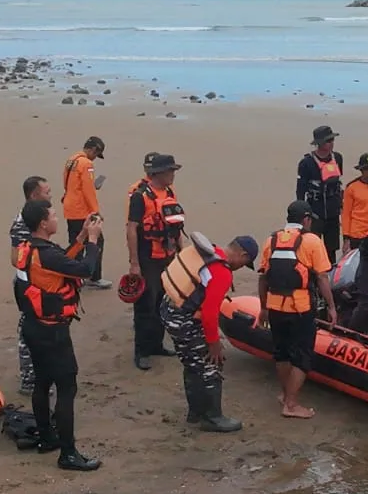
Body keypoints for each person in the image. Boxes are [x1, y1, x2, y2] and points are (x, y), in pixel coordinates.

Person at [13, 198, 104, 471]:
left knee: (42, 381)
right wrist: (93, 240)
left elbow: (59, 264)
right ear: (43, 223)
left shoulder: (28, 248)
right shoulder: (46, 254)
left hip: (32, 326)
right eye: (53, 214)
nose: (56, 217)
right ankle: (68, 453)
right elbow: (85, 270)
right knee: (67, 387)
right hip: (52, 332)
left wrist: (79, 237)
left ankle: (46, 437)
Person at [160, 232, 259, 432]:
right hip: (184, 319)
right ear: (242, 255)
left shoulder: (207, 252)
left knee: (191, 362)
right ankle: (213, 417)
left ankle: (195, 413)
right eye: (244, 263)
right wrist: (214, 343)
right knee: (211, 365)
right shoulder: (221, 272)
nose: (240, 268)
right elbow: (209, 313)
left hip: (168, 310)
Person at [257, 201, 337, 419]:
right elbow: (321, 277)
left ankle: (285, 395)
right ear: (306, 219)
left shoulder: (271, 240)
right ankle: (291, 405)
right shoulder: (311, 241)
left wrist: (263, 307)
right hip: (300, 308)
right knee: (302, 356)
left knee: (281, 353)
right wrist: (331, 306)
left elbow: (263, 278)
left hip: (275, 306)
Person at [126, 152, 186, 370]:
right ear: (158, 173)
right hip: (147, 258)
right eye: (171, 171)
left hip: (167, 257)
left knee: (163, 302)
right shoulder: (140, 197)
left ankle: (156, 344)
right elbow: (132, 228)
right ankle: (141, 351)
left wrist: (181, 252)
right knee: (145, 305)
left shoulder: (170, 192)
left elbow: (175, 224)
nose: (173, 175)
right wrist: (134, 263)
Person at [10, 175, 51, 395]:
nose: (50, 195)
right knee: (29, 331)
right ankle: (28, 380)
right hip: (28, 285)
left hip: (35, 282)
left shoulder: (34, 218)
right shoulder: (23, 222)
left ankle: (37, 375)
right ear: (35, 195)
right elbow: (15, 257)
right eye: (47, 191)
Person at [62, 136, 111, 290]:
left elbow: (67, 181)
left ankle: (73, 276)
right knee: (96, 240)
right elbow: (88, 190)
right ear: (93, 149)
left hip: (70, 206)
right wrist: (95, 211)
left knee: (75, 241)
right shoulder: (86, 164)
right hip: (81, 210)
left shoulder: (71, 160)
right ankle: (93, 276)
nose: (95, 158)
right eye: (96, 154)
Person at [296, 125, 344, 255]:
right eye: (328, 141)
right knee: (312, 247)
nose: (332, 143)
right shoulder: (306, 163)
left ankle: (330, 272)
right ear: (319, 143)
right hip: (314, 212)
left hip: (333, 212)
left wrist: (341, 205)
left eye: (332, 140)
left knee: (331, 249)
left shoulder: (338, 158)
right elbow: (300, 191)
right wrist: (302, 214)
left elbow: (339, 184)